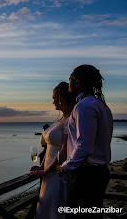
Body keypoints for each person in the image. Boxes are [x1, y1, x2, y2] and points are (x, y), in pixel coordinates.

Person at [57, 65, 113, 219]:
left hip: (86, 176)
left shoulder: (84, 107)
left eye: (70, 79)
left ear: (77, 82)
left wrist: (65, 167)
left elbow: (84, 146)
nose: (68, 83)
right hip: (98, 173)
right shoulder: (101, 106)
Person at [29, 82, 76, 219]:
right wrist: (42, 166)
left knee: (54, 210)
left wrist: (45, 170)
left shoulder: (70, 120)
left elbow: (63, 150)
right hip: (48, 172)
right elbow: (50, 148)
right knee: (45, 208)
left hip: (58, 172)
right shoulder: (60, 119)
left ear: (61, 99)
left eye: (53, 98)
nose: (52, 101)